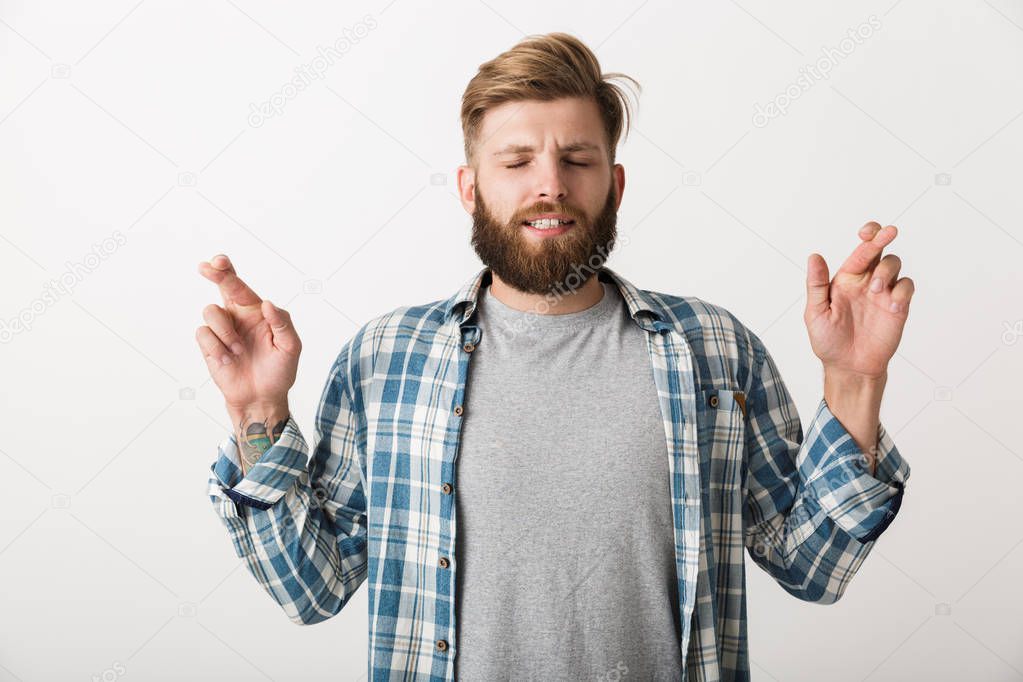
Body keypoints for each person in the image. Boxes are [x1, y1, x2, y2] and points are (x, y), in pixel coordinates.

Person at [196, 32, 913, 682]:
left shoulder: (714, 350)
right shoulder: (384, 359)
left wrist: (854, 379)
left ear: (615, 184)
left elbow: (810, 566)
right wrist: (256, 411)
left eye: (577, 159)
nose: (550, 185)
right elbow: (310, 589)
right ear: (470, 188)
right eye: (516, 161)